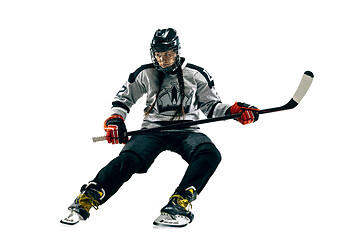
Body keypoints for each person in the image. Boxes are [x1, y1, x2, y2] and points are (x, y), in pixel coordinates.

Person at [61, 28, 259, 227]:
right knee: (128, 159)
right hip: (152, 130)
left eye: (168, 54)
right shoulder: (145, 73)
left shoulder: (196, 74)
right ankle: (88, 198)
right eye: (159, 54)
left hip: (187, 130)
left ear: (177, 51)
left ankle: (179, 203)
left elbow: (211, 106)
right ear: (153, 53)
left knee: (209, 154)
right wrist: (116, 121)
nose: (163, 59)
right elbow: (123, 100)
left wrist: (234, 111)